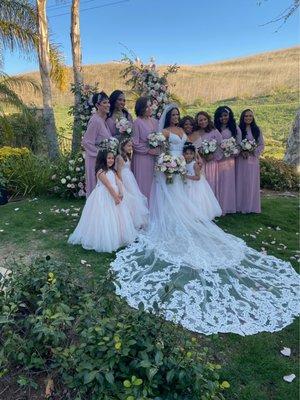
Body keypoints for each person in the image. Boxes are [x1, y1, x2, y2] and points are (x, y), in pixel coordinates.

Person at [111, 103, 299, 337]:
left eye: (179, 115)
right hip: (170, 167)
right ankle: (169, 221)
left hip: (180, 167)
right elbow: (158, 146)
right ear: (168, 117)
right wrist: (166, 161)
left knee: (181, 199)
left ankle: (186, 219)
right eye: (174, 115)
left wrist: (191, 160)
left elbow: (189, 148)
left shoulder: (182, 133)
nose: (177, 118)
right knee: (168, 199)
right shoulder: (166, 133)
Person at [68, 150, 137, 253]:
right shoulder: (100, 172)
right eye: (108, 158)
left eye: (112, 158)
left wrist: (121, 192)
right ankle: (103, 238)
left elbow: (118, 181)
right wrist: (116, 198)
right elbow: (108, 185)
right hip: (105, 196)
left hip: (116, 195)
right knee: (106, 217)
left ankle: (118, 236)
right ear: (103, 159)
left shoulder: (112, 171)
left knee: (117, 217)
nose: (111, 160)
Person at [81, 92, 111, 197]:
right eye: (104, 103)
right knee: (96, 190)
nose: (108, 105)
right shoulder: (95, 121)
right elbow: (86, 142)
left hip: (101, 160)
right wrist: (100, 154)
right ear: (97, 105)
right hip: (95, 160)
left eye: (108, 102)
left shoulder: (102, 120)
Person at [116, 137, 149, 229]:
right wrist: (121, 183)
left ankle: (137, 220)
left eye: (131, 146)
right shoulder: (120, 157)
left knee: (135, 196)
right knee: (129, 197)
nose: (131, 148)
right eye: (129, 146)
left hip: (130, 178)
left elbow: (128, 169)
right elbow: (118, 172)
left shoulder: (128, 156)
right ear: (123, 147)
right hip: (124, 178)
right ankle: (128, 220)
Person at [183, 142, 222, 220]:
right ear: (184, 154)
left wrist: (186, 176)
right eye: (186, 154)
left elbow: (198, 178)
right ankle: (187, 214)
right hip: (187, 183)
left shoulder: (195, 165)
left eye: (190, 154)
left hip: (195, 185)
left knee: (195, 199)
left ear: (194, 154)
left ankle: (197, 215)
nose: (188, 156)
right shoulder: (184, 163)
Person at [236, 109, 264, 213]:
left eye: (250, 116)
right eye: (246, 116)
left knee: (251, 183)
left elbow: (261, 145)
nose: (248, 118)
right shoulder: (238, 129)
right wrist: (241, 151)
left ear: (253, 117)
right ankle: (239, 206)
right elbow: (236, 143)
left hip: (252, 160)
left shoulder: (257, 129)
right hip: (241, 160)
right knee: (241, 182)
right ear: (242, 117)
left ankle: (251, 206)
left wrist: (252, 151)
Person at [214, 106, 241, 214]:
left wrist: (233, 151)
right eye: (220, 116)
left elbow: (239, 145)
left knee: (227, 183)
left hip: (229, 160)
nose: (223, 118)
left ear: (229, 116)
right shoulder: (215, 128)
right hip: (217, 159)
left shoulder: (235, 128)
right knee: (217, 182)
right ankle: (216, 206)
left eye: (225, 115)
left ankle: (226, 206)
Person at [131, 97, 159, 201]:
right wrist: (148, 150)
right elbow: (135, 143)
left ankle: (153, 207)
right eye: (147, 106)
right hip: (142, 158)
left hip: (153, 158)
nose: (150, 108)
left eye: (150, 106)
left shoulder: (155, 122)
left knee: (153, 182)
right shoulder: (137, 122)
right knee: (143, 182)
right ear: (141, 108)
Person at [189, 111, 222, 198]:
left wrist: (213, 155)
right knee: (202, 184)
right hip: (200, 162)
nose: (203, 122)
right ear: (197, 122)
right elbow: (193, 147)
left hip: (212, 162)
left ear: (208, 120)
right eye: (200, 120)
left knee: (212, 182)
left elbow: (220, 145)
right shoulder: (195, 133)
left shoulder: (214, 131)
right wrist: (200, 154)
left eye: (205, 119)